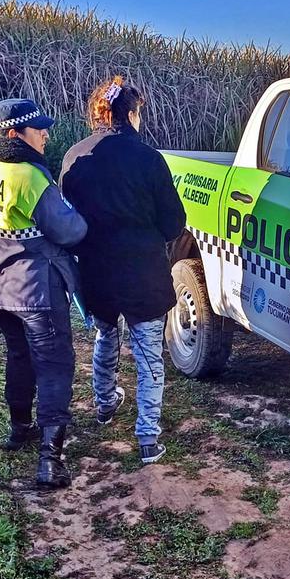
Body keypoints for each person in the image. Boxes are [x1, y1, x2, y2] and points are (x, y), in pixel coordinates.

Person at [60, 76, 186, 465]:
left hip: (96, 270)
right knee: (149, 355)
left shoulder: (74, 157)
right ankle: (148, 437)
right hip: (143, 272)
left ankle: (104, 403)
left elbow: (67, 219)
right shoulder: (149, 159)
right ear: (131, 114)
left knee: (105, 337)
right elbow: (173, 222)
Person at [0, 99, 87, 489]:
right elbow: (70, 231)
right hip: (36, 289)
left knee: (19, 355)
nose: (46, 135)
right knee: (54, 366)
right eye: (39, 130)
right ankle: (50, 461)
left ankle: (20, 429)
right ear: (15, 134)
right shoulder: (28, 177)